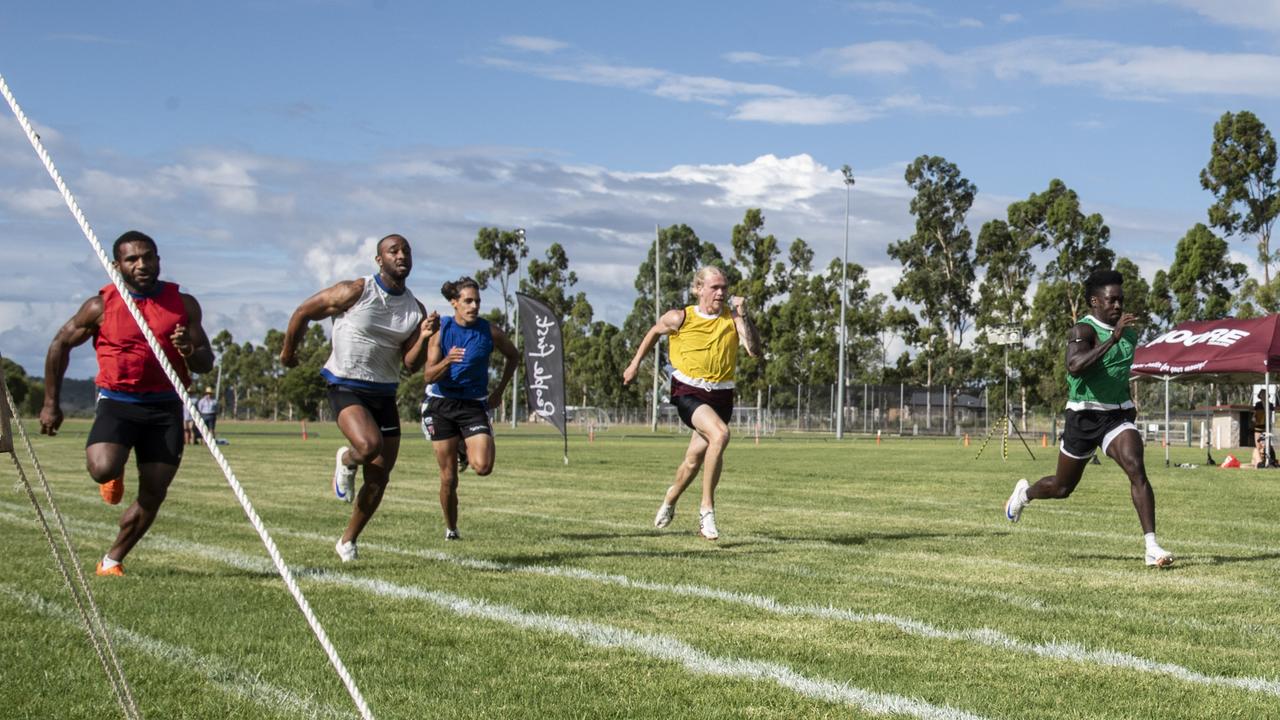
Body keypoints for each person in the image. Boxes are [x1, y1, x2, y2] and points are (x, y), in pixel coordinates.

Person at [39, 230, 214, 576]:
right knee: (102, 467)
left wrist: (187, 350)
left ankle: (112, 560)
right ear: (117, 265)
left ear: (159, 260)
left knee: (154, 492)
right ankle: (113, 471)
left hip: (165, 407)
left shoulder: (183, 304)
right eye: (132, 259)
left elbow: (206, 362)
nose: (142, 264)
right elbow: (60, 344)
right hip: (118, 402)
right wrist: (50, 404)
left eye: (148, 256)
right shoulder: (101, 305)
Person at [280, 234, 437, 562]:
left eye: (406, 250)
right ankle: (347, 459)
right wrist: (288, 352)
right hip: (346, 385)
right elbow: (304, 311)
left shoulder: (414, 308)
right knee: (368, 446)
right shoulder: (356, 290)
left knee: (379, 477)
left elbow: (410, 365)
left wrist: (422, 336)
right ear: (379, 260)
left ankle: (348, 541)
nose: (401, 255)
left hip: (384, 393)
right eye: (393, 251)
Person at [1004, 269, 1174, 567]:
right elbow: (1074, 366)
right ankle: (1025, 494)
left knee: (1136, 468)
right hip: (1083, 416)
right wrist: (1111, 339)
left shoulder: (1129, 331)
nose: (1118, 306)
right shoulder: (1082, 331)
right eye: (1112, 300)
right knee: (1061, 487)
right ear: (1095, 301)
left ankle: (1151, 546)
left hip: (1116, 415)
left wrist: (1127, 406)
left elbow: (1118, 372)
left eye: (1121, 300)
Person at [622, 265, 760, 541]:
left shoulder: (732, 319)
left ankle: (670, 498)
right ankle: (706, 511)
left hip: (722, 396)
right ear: (698, 289)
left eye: (724, 287)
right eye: (714, 287)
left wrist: (743, 315)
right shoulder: (680, 317)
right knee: (720, 435)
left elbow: (754, 351)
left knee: (693, 460)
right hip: (688, 392)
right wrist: (634, 364)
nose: (721, 292)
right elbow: (653, 332)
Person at [420, 277, 519, 540]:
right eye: (468, 301)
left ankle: (465, 444)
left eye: (477, 301)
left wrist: (499, 391)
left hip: (474, 404)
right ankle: (451, 529)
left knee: (483, 467)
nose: (474, 306)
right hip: (441, 404)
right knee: (449, 479)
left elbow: (514, 355)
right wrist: (447, 361)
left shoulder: (489, 331)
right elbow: (428, 376)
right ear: (454, 303)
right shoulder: (442, 331)